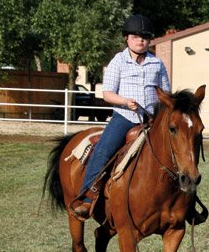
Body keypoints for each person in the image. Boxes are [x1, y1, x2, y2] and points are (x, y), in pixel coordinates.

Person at [70, 14, 171, 220]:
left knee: (177, 151)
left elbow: (166, 93)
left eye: (145, 37)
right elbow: (107, 93)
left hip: (152, 119)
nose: (141, 40)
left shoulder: (157, 64)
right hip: (125, 117)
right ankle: (87, 198)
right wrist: (125, 101)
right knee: (102, 151)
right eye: (136, 37)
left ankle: (186, 203)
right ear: (127, 38)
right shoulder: (118, 61)